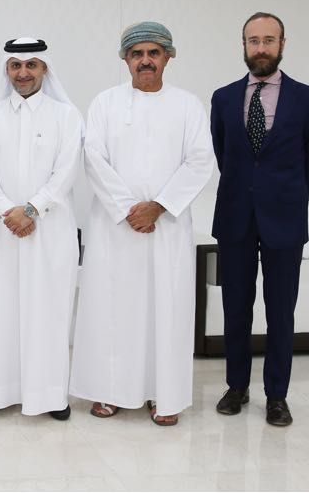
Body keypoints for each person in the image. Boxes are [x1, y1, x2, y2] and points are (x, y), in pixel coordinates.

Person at [70, 22, 214, 426]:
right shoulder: (105, 103)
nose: (145, 60)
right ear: (125, 59)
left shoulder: (187, 105)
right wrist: (128, 208)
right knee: (113, 307)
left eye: (153, 53)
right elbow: (93, 158)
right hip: (115, 227)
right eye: (137, 54)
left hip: (166, 228)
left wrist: (159, 207)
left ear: (168, 56)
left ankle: (161, 395)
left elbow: (200, 160)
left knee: (165, 310)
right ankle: (110, 391)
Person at [211, 12, 309, 427]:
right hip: (235, 217)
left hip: (285, 219)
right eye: (253, 40)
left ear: (282, 44)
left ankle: (277, 395)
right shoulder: (223, 98)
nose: (260, 48)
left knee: (280, 311)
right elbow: (223, 153)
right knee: (235, 308)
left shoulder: (308, 98)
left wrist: (288, 195)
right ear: (243, 45)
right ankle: (236, 387)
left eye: (268, 40)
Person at [0, 38, 83, 420]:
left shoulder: (66, 116)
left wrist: (32, 209)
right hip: (1, 230)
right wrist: (9, 212)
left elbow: (66, 171)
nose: (23, 73)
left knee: (48, 311)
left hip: (50, 230)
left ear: (44, 69)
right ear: (7, 70)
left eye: (31, 65)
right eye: (16, 66)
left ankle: (49, 396)